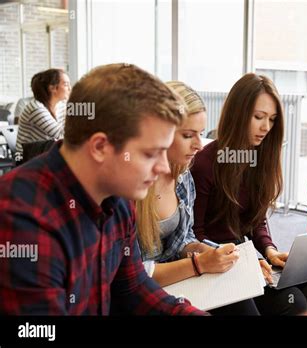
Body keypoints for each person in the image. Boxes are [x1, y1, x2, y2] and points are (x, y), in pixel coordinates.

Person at [0, 63, 207, 315]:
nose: (163, 167)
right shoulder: (24, 219)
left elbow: (133, 287)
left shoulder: (118, 197)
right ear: (100, 147)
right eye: (151, 153)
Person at [191, 73, 307, 315]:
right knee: (293, 301)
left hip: (243, 258)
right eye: (259, 117)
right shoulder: (205, 163)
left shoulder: (260, 159)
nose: (266, 127)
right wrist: (242, 261)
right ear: (238, 113)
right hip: (215, 261)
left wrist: (269, 250)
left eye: (272, 119)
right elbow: (194, 235)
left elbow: (256, 219)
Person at [136, 81, 239, 287]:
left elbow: (184, 239)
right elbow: (131, 275)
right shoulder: (127, 186)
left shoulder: (182, 174)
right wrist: (199, 264)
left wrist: (210, 252)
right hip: (143, 292)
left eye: (200, 134)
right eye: (188, 135)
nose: (199, 145)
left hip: (177, 278)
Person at [16, 69, 70, 162]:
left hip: (45, 154)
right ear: (53, 88)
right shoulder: (36, 108)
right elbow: (60, 135)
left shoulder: (61, 105)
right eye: (66, 84)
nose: (70, 88)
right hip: (26, 159)